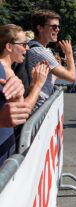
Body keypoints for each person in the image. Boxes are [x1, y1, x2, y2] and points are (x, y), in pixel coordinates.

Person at [0, 24, 35, 165]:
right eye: (24, 44)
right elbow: (23, 111)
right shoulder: (3, 70)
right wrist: (38, 85)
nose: (27, 48)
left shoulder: (9, 69)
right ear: (9, 46)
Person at [27, 10, 76, 109]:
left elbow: (50, 77)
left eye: (58, 27)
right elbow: (71, 77)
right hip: (38, 106)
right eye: (54, 27)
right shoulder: (41, 52)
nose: (57, 29)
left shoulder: (33, 46)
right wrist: (69, 54)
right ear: (40, 28)